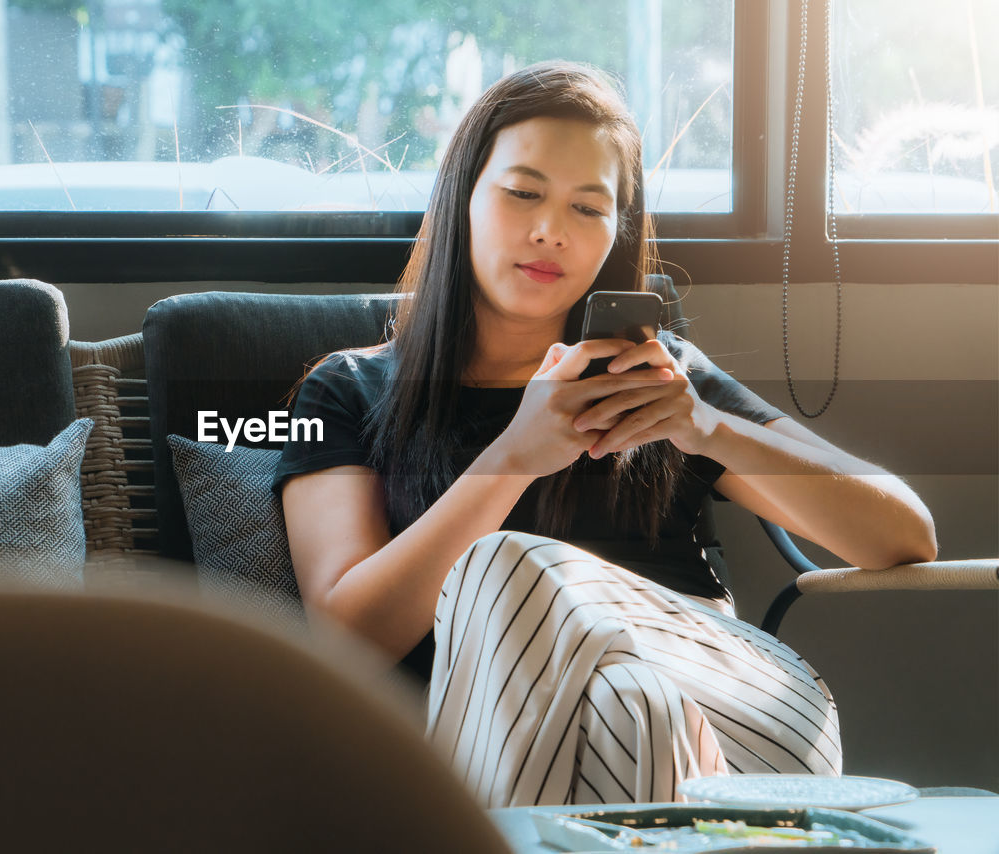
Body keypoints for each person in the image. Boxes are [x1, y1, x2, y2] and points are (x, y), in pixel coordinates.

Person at [271, 61, 937, 808]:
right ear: (462, 198)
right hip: (526, 745)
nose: (550, 230)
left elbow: (903, 535)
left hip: (745, 720)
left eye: (590, 209)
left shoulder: (664, 381)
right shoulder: (349, 390)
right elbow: (346, 641)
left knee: (512, 576)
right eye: (523, 192)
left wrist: (706, 428)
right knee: (631, 702)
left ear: (618, 229)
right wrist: (512, 458)